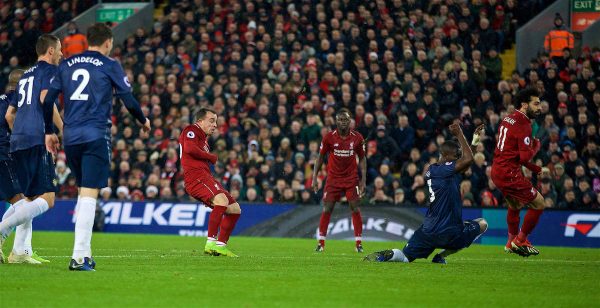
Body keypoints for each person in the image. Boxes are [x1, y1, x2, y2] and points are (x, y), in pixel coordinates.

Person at [42, 23, 151, 271]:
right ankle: (79, 257)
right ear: (107, 42)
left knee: (83, 191)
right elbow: (128, 98)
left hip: (70, 136)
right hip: (95, 134)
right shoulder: (110, 64)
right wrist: (143, 120)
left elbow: (48, 100)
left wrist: (50, 131)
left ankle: (86, 253)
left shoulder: (66, 64)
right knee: (90, 193)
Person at [364, 123, 488, 264]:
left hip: (428, 232)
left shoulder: (435, 170)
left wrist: (475, 140)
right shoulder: (443, 170)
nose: (459, 158)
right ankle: (441, 256)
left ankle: (390, 255)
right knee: (482, 223)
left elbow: (466, 162)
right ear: (447, 156)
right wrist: (459, 134)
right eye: (456, 155)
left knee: (405, 257)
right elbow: (467, 159)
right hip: (451, 233)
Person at [0, 35, 65, 264]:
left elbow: (10, 115)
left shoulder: (25, 75)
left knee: (28, 199)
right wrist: (52, 130)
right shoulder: (48, 72)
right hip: (37, 139)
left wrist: (18, 134)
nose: (61, 54)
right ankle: (2, 230)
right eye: (59, 49)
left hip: (17, 141)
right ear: (49, 50)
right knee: (47, 199)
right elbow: (47, 100)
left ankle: (19, 252)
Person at [0, 69, 49, 264]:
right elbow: (12, 121)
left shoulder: (2, 99)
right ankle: (19, 250)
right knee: (24, 203)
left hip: (4, 154)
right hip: (5, 154)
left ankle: (21, 250)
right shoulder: (18, 99)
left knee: (22, 199)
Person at [180, 108, 241, 257]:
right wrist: (210, 156)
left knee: (234, 209)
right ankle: (210, 242)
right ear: (200, 121)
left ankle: (220, 245)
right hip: (196, 177)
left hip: (206, 177)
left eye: (216, 122)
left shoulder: (204, 141)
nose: (215, 125)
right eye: (211, 121)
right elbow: (189, 148)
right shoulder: (191, 130)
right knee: (221, 201)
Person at [491, 87, 544, 257]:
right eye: (535, 104)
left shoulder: (508, 118)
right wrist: (535, 147)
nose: (539, 108)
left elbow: (512, 153)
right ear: (524, 105)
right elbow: (523, 157)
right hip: (509, 173)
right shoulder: (523, 124)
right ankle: (520, 240)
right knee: (539, 203)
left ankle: (510, 241)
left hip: (498, 170)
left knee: (515, 205)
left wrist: (534, 169)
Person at [312, 108, 367, 253]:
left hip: (351, 179)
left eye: (345, 120)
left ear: (350, 122)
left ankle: (358, 243)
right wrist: (314, 178)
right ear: (336, 122)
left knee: (355, 207)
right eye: (340, 120)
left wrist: (363, 181)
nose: (343, 122)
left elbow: (362, 158)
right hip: (333, 179)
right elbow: (320, 158)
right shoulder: (329, 137)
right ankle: (321, 243)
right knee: (327, 208)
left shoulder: (357, 137)